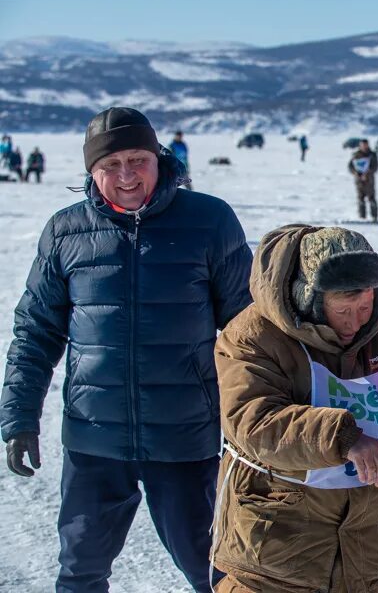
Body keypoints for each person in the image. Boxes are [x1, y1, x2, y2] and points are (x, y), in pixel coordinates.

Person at [0, 107, 253, 592]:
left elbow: (248, 330)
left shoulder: (208, 220)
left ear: (158, 158)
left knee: (216, 571)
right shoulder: (66, 232)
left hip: (184, 437)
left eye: (137, 159)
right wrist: (19, 417)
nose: (126, 175)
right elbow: (35, 332)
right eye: (110, 164)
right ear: (91, 171)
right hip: (94, 439)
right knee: (80, 572)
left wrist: (268, 417)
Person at [210, 224, 378, 592]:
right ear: (309, 298)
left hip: (363, 546)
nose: (356, 321)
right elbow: (254, 423)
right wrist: (345, 438)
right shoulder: (252, 336)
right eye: (343, 310)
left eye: (366, 306)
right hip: (275, 547)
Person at [348, 139, 378, 222]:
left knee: (371, 198)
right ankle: (362, 217)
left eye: (366, 145)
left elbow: (375, 167)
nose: (364, 146)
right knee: (360, 198)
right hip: (359, 181)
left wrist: (367, 174)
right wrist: (356, 173)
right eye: (362, 145)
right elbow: (351, 167)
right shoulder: (356, 155)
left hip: (369, 180)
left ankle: (374, 217)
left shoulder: (372, 155)